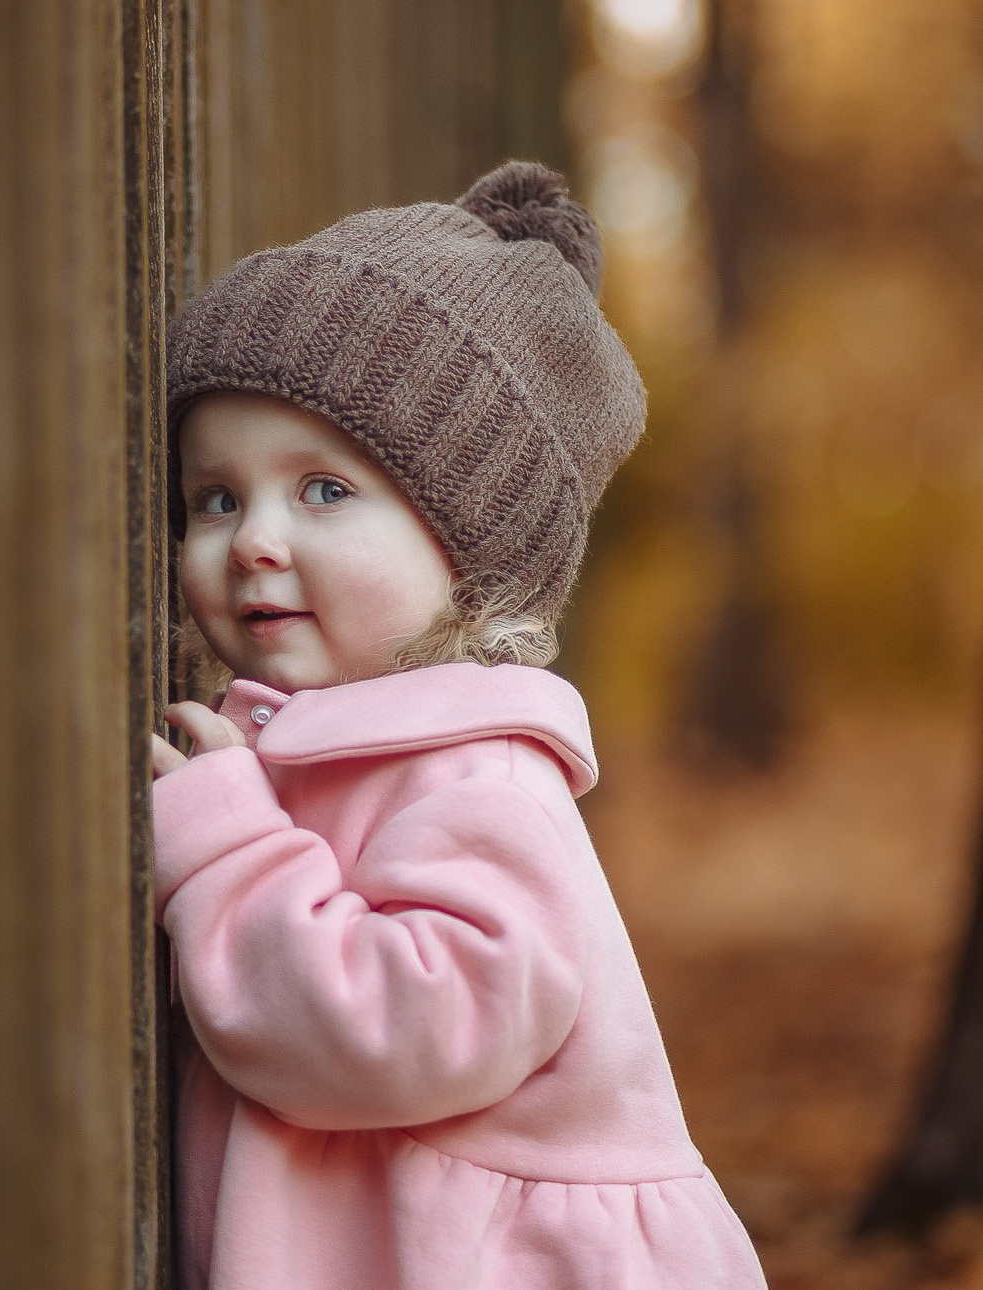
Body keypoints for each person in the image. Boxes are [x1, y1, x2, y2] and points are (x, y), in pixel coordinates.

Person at [149, 161, 768, 1290]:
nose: (253, 541)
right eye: (215, 497)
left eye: (324, 491)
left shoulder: (479, 778)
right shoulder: (326, 744)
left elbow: (411, 1025)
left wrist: (227, 855)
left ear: (469, 550)